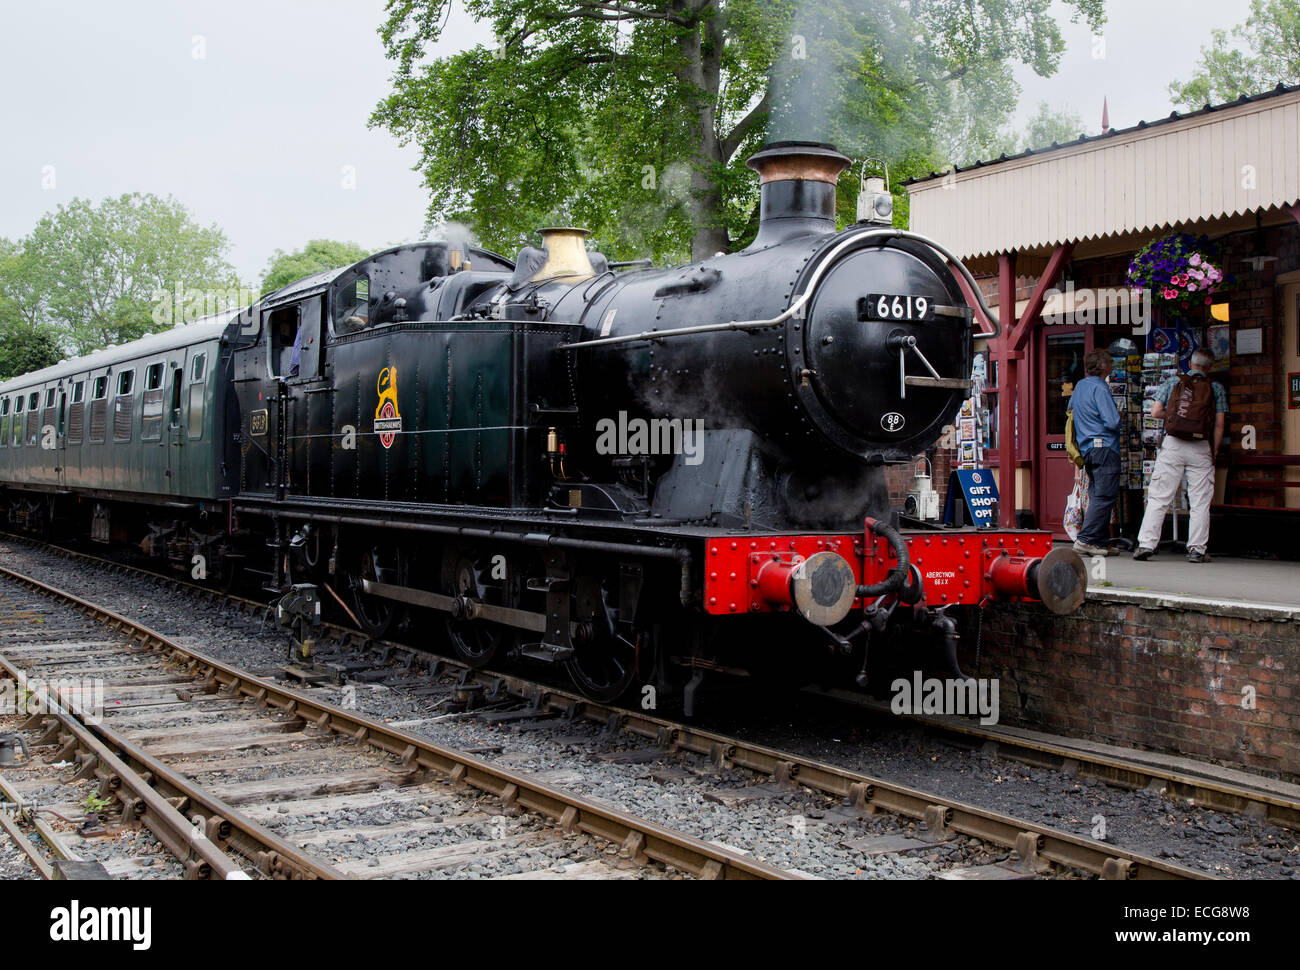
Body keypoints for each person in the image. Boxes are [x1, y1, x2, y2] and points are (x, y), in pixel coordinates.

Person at [1133, 348, 1227, 563]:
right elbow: (1219, 425)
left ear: (1191, 364)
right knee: (1200, 500)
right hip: (1201, 446)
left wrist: (1174, 416)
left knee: (1159, 496)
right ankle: (1196, 549)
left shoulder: (1172, 382)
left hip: (1173, 444)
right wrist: (1215, 450)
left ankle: (1146, 544)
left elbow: (1155, 412)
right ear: (1210, 367)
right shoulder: (1215, 388)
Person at [1066, 349, 1123, 557]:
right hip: (1105, 447)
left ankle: (1099, 542)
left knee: (1095, 493)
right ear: (1104, 367)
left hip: (1087, 448)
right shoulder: (1100, 388)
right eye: (1110, 363)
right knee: (1105, 495)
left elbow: (1070, 411)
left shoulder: (1080, 386)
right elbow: (1112, 421)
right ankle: (1086, 540)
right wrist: (1119, 415)